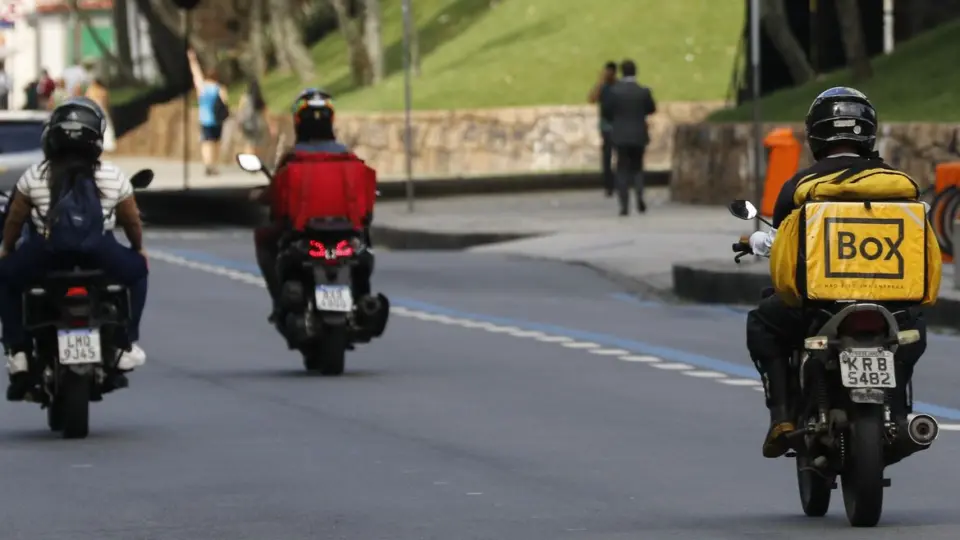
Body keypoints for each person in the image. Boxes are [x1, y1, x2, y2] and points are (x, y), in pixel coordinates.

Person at [743, 87, 932, 458]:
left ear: (816, 133)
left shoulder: (800, 186)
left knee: (762, 323)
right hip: (892, 307)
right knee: (912, 334)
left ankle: (781, 418)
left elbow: (782, 238)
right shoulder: (899, 185)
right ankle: (899, 414)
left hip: (821, 306)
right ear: (868, 132)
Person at [0, 97, 149, 401]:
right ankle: (124, 344)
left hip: (46, 254)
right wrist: (138, 249)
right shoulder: (113, 176)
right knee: (138, 272)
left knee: (5, 278)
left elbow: (15, 219)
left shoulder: (35, 176)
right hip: (100, 253)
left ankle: (17, 352)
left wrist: (6, 249)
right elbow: (131, 221)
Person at [251, 88, 376, 321]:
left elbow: (276, 196)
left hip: (304, 233)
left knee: (263, 239)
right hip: (345, 234)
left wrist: (260, 197)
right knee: (365, 241)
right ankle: (363, 296)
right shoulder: (348, 158)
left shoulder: (293, 159)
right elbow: (367, 206)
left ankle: (279, 302)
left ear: (298, 122)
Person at [601, 59, 657, 216]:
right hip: (638, 134)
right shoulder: (643, 92)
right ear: (635, 72)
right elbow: (651, 109)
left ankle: (624, 205)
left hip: (620, 134)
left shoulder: (614, 92)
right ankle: (639, 196)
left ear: (621, 72)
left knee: (622, 169)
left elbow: (606, 112)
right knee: (638, 167)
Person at [187, 48, 229, 176]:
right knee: (216, 143)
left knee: (206, 143)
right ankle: (214, 165)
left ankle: (208, 164)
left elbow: (196, 74)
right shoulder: (220, 88)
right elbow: (225, 101)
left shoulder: (202, 87)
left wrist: (192, 60)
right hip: (217, 119)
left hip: (205, 119)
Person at [587, 61, 617, 197]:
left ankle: (617, 182)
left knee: (619, 156)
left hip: (617, 125)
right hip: (606, 126)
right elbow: (592, 99)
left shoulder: (618, 86)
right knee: (607, 156)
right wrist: (599, 82)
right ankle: (608, 184)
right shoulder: (602, 87)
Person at [236, 78, 273, 156]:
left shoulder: (244, 97)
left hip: (246, 124)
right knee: (256, 145)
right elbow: (266, 113)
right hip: (258, 126)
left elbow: (240, 111)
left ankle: (248, 160)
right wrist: (271, 126)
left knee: (248, 144)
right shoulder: (259, 99)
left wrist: (238, 123)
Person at [85, 78, 116, 153]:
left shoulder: (90, 90)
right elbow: (106, 102)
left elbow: (86, 100)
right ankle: (108, 145)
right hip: (101, 109)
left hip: (93, 109)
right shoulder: (103, 91)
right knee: (106, 127)